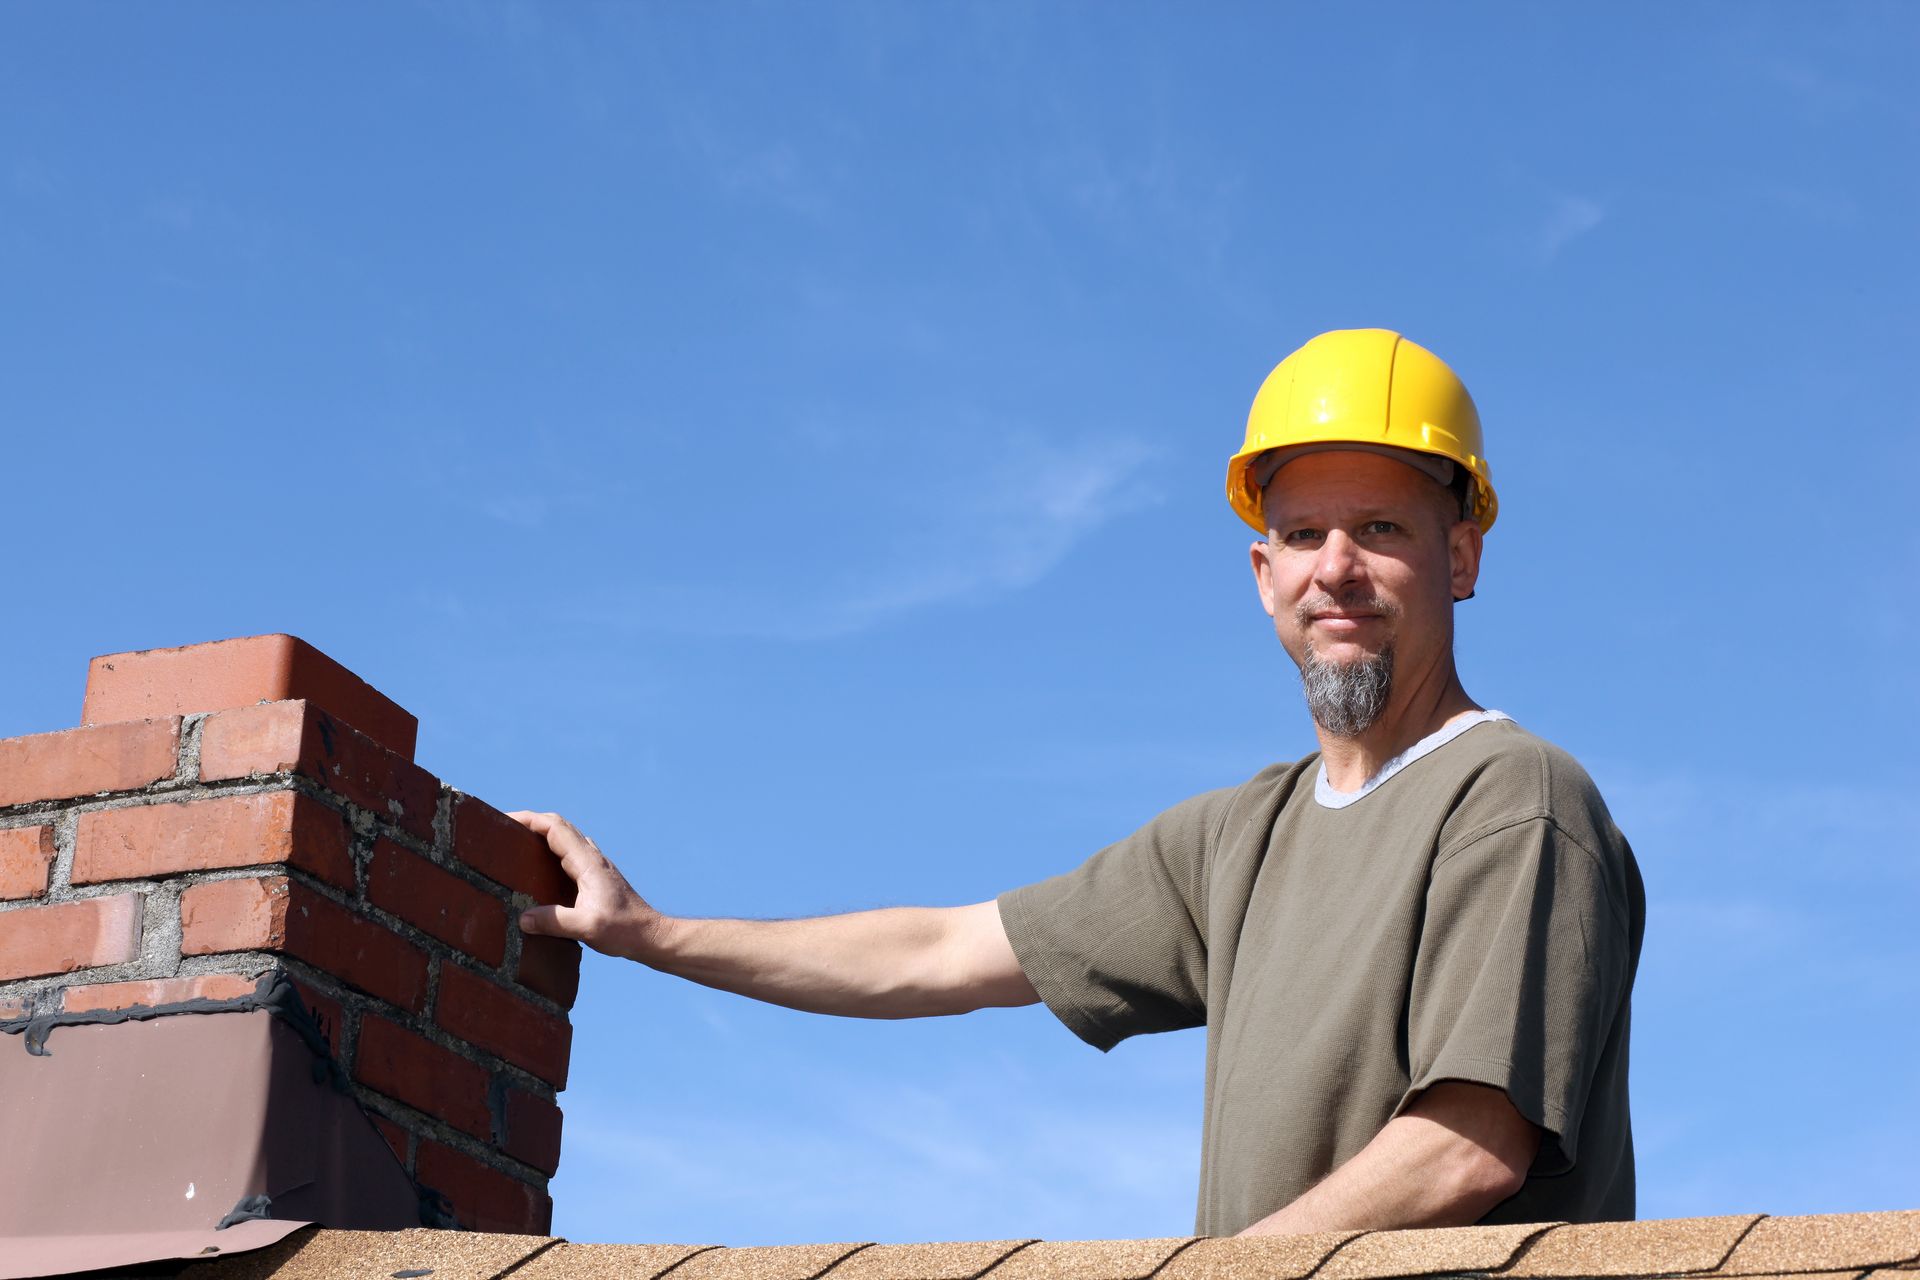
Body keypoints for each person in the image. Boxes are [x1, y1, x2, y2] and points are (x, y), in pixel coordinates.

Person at [511, 328, 1646, 1237]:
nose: (1335, 568)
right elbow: (942, 952)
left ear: (1460, 554)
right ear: (1264, 574)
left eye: (1381, 526)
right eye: (1303, 533)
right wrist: (652, 934)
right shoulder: (1237, 838)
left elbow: (1467, 1142)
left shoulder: (1514, 798)